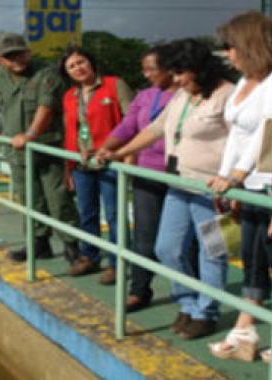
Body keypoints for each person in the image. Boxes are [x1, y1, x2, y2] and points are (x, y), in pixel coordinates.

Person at [98, 38, 235, 339]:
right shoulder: (183, 96)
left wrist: (232, 180)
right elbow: (155, 129)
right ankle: (186, 302)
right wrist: (119, 152)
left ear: (198, 69)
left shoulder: (227, 95)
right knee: (166, 248)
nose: (176, 80)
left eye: (181, 73)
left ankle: (206, 312)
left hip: (211, 190)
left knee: (213, 252)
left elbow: (242, 141)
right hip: (179, 183)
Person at [205, 11, 272, 362]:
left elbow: (271, 131)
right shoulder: (245, 83)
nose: (226, 53)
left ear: (249, 44)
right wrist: (225, 178)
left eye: (230, 46)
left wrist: (239, 175)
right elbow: (236, 135)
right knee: (253, 259)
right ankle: (245, 328)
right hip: (247, 185)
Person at [0, 32, 81, 262]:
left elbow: (45, 107)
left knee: (58, 199)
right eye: (10, 56)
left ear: (29, 52)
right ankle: (39, 244)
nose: (17, 59)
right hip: (17, 152)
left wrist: (30, 134)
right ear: (0, 60)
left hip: (48, 147)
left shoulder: (46, 73)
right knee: (29, 198)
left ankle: (71, 246)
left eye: (20, 53)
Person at [95, 43, 180, 307]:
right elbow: (127, 126)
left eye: (152, 69)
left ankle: (189, 299)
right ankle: (139, 290)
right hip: (148, 172)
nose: (147, 74)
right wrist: (106, 148)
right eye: (144, 69)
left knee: (183, 243)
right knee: (145, 237)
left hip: (181, 175)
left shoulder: (188, 95)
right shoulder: (145, 95)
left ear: (170, 68)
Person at [59, 46, 133, 284]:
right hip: (81, 165)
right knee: (86, 213)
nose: (78, 68)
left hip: (110, 161)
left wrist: (120, 153)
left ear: (91, 62)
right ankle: (89, 256)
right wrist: (68, 165)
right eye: (71, 66)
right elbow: (69, 131)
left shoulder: (114, 85)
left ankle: (116, 263)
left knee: (113, 214)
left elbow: (132, 122)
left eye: (81, 62)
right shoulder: (70, 96)